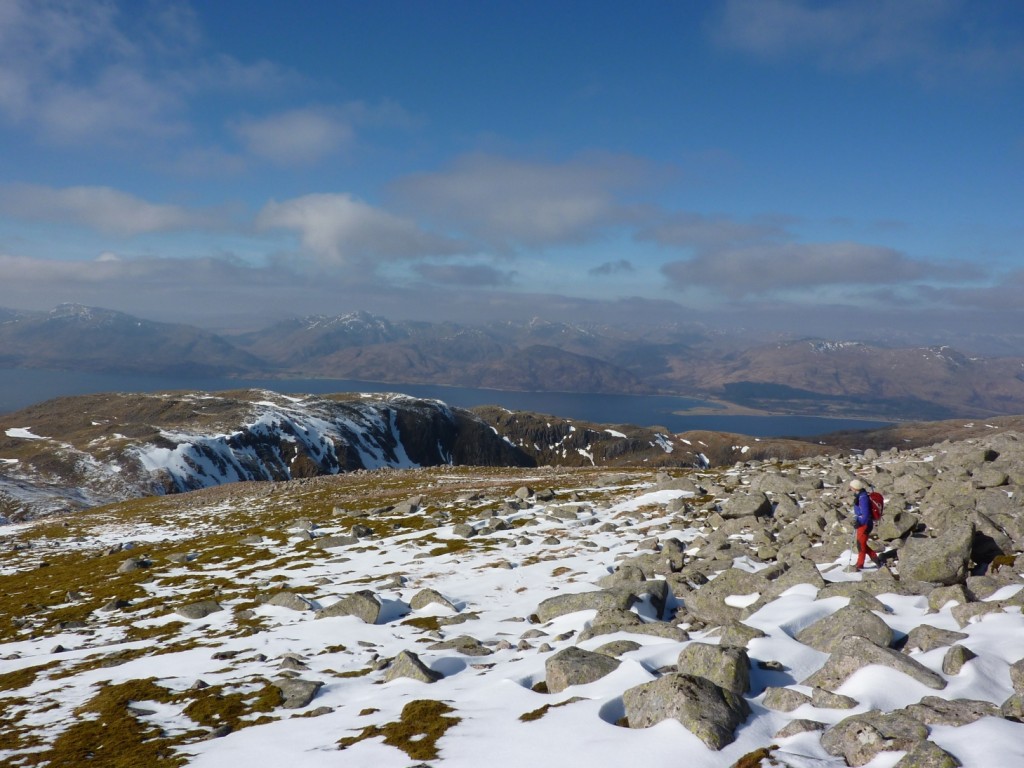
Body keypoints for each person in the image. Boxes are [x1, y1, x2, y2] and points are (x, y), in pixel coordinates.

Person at [850, 478, 880, 571]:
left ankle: (860, 565)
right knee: (861, 544)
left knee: (860, 545)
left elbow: (866, 513)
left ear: (855, 488)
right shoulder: (860, 496)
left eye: (851, 487)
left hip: (865, 524)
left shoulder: (863, 498)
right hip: (863, 523)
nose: (850, 489)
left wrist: (859, 522)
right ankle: (875, 559)